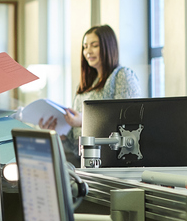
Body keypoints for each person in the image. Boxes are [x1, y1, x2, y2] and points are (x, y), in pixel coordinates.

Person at [39, 25, 142, 161]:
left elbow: (128, 124)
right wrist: (58, 132)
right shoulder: (85, 86)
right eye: (85, 46)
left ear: (108, 47)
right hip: (84, 163)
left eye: (94, 46)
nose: (88, 51)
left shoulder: (122, 76)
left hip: (110, 164)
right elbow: (75, 146)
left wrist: (84, 121)